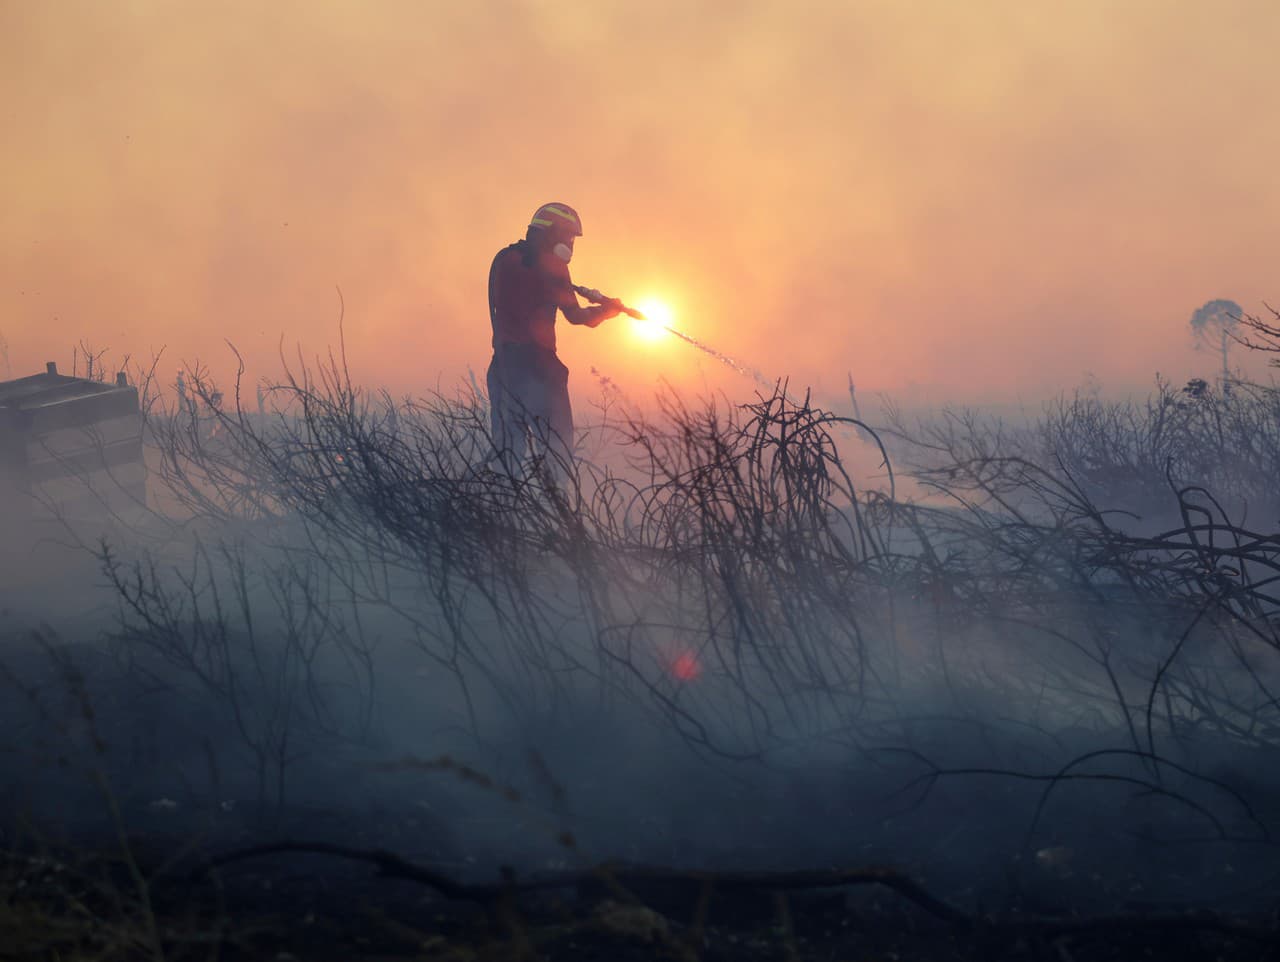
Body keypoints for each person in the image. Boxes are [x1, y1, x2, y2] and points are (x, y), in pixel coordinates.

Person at [486, 202, 623, 467]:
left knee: (506, 458)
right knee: (557, 456)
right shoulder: (552, 266)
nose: (571, 244)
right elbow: (577, 317)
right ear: (552, 233)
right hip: (540, 372)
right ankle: (554, 507)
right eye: (569, 236)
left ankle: (500, 507)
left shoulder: (505, 259)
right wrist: (608, 311)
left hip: (503, 368)